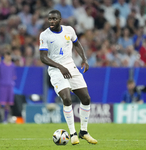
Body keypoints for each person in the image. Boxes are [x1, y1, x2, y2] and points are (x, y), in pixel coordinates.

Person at [39, 10, 97, 145]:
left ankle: (84, 131)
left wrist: (84, 59)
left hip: (71, 67)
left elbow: (76, 44)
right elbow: (43, 57)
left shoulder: (69, 30)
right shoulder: (45, 35)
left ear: (60, 20)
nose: (51, 21)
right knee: (67, 98)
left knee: (86, 98)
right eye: (49, 19)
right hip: (56, 70)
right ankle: (73, 134)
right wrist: (60, 67)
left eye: (54, 19)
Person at [0, 52, 16, 124]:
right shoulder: (0, 65)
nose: (9, 57)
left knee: (8, 104)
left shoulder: (12, 65)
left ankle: (5, 120)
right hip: (2, 85)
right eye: (8, 55)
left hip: (10, 86)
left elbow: (13, 76)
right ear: (5, 56)